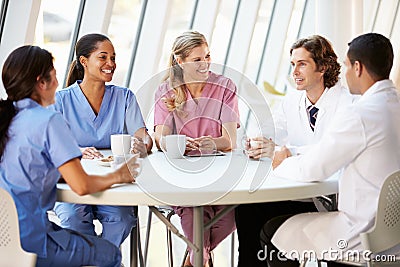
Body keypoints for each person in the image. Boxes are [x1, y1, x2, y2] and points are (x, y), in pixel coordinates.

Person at [260, 33, 400, 266]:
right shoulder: (393, 106)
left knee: (272, 232)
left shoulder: (360, 114)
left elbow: (313, 169)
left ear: (358, 68)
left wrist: (281, 161)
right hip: (394, 233)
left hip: (363, 234)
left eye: (346, 66)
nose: (344, 74)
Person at [0, 45, 139, 266]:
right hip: (33, 245)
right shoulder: (47, 121)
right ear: (41, 82)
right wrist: (119, 176)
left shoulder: (7, 119)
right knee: (110, 254)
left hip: (5, 244)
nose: (57, 83)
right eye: (54, 76)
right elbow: (82, 186)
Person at [235, 35, 354, 267]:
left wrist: (288, 152)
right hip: (300, 193)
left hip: (333, 199)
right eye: (292, 65)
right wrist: (256, 142)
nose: (295, 72)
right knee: (247, 212)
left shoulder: (347, 104)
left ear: (323, 67)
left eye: (302, 64)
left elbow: (331, 150)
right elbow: (271, 131)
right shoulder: (292, 102)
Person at [53, 33, 153, 248]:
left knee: (123, 220)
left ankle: (100, 259)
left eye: (113, 58)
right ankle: (97, 258)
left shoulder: (124, 97)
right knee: (72, 219)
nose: (111, 64)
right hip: (74, 181)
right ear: (83, 61)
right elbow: (51, 145)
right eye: (103, 57)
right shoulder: (61, 100)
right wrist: (78, 150)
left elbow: (141, 134)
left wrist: (143, 142)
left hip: (114, 182)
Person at [153, 31, 240, 267]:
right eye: (197, 59)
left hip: (219, 173)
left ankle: (195, 258)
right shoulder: (166, 90)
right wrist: (176, 143)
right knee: (193, 211)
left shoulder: (224, 86)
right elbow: (160, 136)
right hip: (182, 175)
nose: (206, 63)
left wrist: (210, 143)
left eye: (207, 56)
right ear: (180, 61)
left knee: (231, 215)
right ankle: (200, 258)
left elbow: (229, 140)